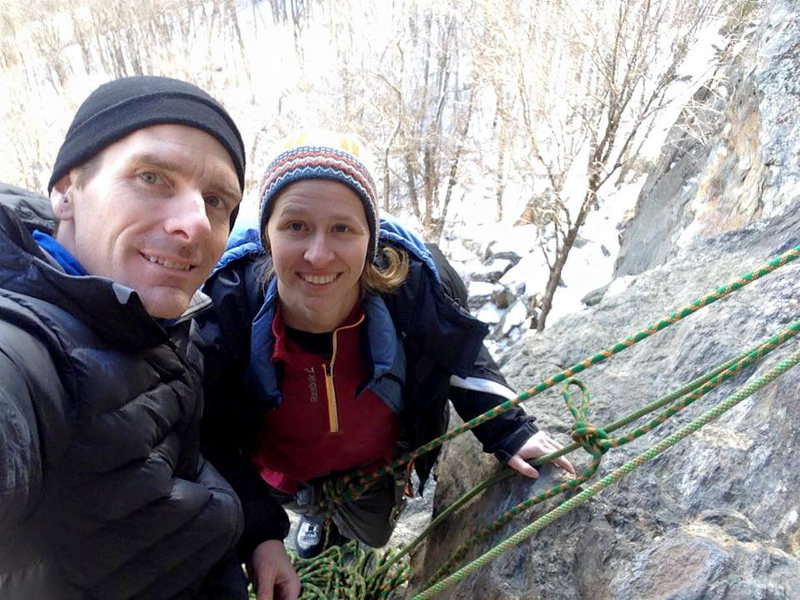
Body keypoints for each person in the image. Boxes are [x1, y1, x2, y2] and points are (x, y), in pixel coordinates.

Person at [199, 131, 575, 599]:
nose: (318, 254)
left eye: (343, 229)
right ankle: (318, 520)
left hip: (374, 463)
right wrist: (261, 533)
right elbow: (207, 430)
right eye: (296, 226)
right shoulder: (229, 304)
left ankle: (341, 528)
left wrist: (510, 429)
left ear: (370, 238)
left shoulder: (408, 284)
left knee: (372, 534)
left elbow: (453, 348)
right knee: (309, 509)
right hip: (280, 469)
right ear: (267, 233)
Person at [0, 76, 249, 599]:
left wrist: (262, 535)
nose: (196, 224)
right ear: (67, 192)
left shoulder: (163, 322)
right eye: (152, 176)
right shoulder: (30, 346)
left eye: (217, 200)